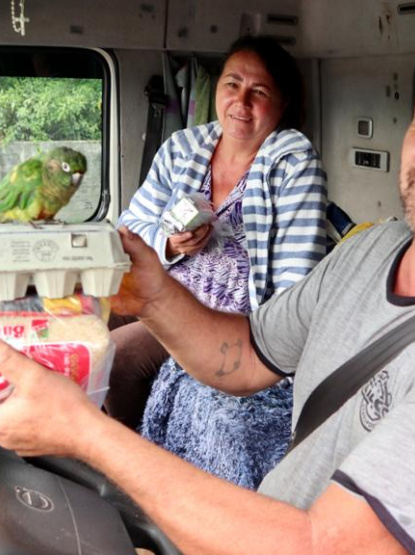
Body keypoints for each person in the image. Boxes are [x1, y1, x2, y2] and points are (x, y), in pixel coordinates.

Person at [0, 14, 415, 554]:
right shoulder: (376, 250)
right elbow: (243, 357)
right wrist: (152, 294)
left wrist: (81, 432)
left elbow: (316, 546)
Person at [105, 37, 328, 488]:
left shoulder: (293, 164)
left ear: (282, 103)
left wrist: (269, 352)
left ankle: (132, 468)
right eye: (232, 84)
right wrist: (169, 243)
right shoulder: (184, 148)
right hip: (170, 285)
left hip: (229, 318)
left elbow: (297, 279)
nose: (240, 102)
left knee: (120, 358)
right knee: (91, 317)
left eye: (259, 91)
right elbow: (132, 224)